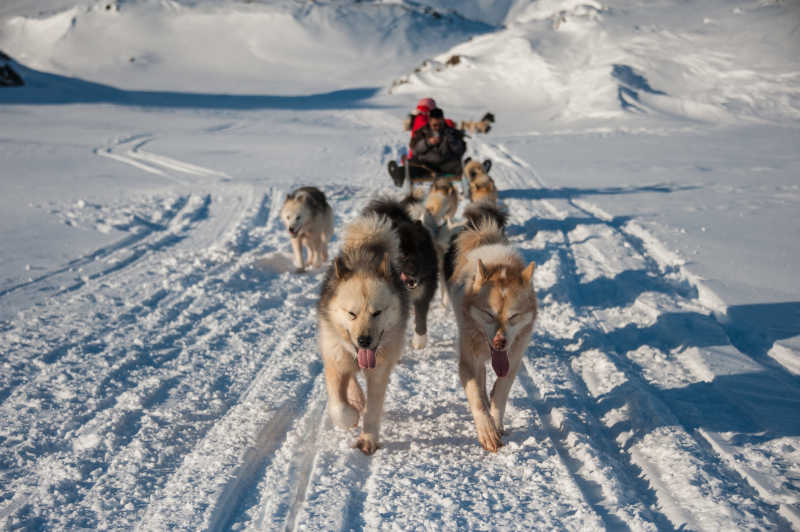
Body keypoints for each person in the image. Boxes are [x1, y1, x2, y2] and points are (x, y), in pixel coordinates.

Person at [388, 108, 466, 185]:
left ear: (443, 120)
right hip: (425, 166)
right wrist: (427, 143)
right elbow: (414, 150)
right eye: (435, 125)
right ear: (430, 121)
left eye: (440, 124)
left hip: (447, 165)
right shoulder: (421, 132)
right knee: (403, 171)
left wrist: (452, 141)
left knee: (469, 168)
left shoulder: (451, 132)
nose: (437, 127)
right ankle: (398, 176)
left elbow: (460, 151)